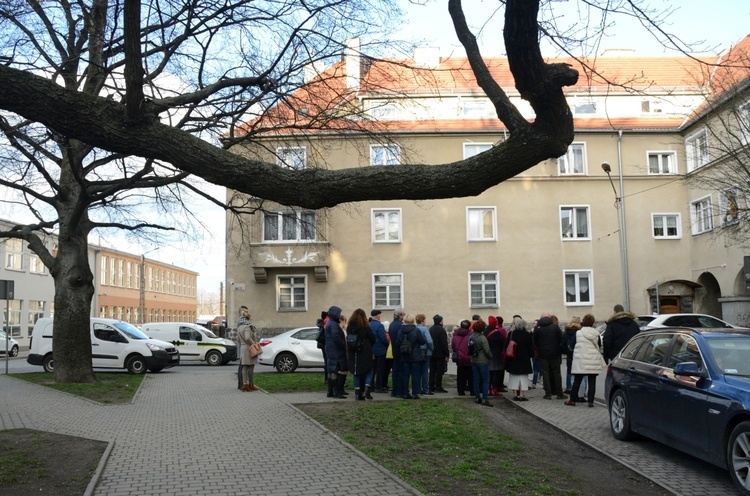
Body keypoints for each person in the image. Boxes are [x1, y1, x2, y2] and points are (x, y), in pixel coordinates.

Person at [565, 314, 607, 407]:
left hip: (580, 360)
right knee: (592, 381)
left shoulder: (578, 333)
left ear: (583, 322)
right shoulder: (596, 334)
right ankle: (590, 402)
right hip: (593, 360)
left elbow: (571, 345)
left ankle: (572, 400)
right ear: (593, 323)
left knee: (577, 380)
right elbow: (599, 346)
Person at [533, 312, 567, 400]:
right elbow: (561, 338)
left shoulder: (537, 328)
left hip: (543, 354)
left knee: (545, 373)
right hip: (555, 353)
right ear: (549, 318)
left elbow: (535, 341)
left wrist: (540, 347)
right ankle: (559, 393)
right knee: (556, 373)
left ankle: (548, 393)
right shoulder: (555, 327)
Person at [346, 308, 377, 400]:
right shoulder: (365, 327)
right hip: (365, 351)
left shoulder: (349, 327)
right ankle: (367, 390)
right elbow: (373, 338)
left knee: (356, 372)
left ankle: (357, 392)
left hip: (353, 351)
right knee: (369, 370)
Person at [395, 314, 427, 399]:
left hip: (404, 355)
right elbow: (422, 341)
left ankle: (405, 393)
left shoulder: (400, 331)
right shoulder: (416, 330)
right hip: (415, 356)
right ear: (413, 321)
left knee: (405, 375)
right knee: (415, 375)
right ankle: (414, 393)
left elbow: (397, 343)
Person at [505, 317, 533, 401]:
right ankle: (521, 394)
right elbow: (531, 348)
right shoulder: (527, 335)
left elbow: (506, 346)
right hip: (524, 359)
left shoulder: (511, 334)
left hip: (513, 359)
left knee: (513, 376)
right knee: (523, 377)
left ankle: (515, 394)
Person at [324, 305, 348, 399]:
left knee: (331, 370)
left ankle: (330, 391)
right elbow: (336, 337)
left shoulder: (330, 323)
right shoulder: (333, 324)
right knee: (334, 370)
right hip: (336, 351)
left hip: (331, 350)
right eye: (339, 314)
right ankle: (335, 392)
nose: (339, 315)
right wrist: (344, 345)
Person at [470, 319, 493, 407]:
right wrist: (490, 356)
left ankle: (477, 397)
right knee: (485, 380)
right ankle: (485, 398)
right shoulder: (482, 338)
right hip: (483, 361)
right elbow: (487, 350)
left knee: (476, 379)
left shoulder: (471, 337)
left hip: (474, 360)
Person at [236, 308, 259, 392]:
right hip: (249, 348)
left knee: (244, 367)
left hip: (242, 348)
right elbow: (247, 337)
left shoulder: (239, 327)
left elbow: (238, 339)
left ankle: (244, 385)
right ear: (247, 319)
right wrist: (253, 344)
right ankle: (251, 384)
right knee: (251, 367)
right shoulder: (247, 327)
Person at [451, 319, 474, 396]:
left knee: (460, 375)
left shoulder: (455, 334)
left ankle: (461, 391)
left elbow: (453, 346)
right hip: (469, 357)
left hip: (460, 357)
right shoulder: (471, 335)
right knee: (471, 375)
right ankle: (472, 391)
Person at [370, 309, 390, 393]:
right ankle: (379, 386)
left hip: (371, 350)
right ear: (377, 316)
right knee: (380, 369)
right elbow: (383, 338)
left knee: (372, 369)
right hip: (380, 350)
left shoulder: (368, 324)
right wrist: (387, 344)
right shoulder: (380, 326)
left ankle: (370, 386)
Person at [428, 314, 449, 393]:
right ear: (440, 321)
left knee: (432, 370)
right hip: (440, 354)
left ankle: (431, 386)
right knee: (439, 371)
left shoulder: (431, 329)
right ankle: (438, 386)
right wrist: (446, 354)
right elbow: (444, 343)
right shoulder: (441, 330)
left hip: (432, 353)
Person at [561, 316, 582, 395]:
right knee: (578, 371)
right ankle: (578, 389)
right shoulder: (580, 331)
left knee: (569, 370)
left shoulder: (567, 332)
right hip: (578, 353)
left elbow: (563, 343)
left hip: (569, 353)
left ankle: (569, 387)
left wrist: (565, 351)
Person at [232, 305, 250, 390]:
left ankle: (241, 384)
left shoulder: (241, 320)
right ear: (241, 312)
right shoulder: (241, 320)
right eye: (245, 311)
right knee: (242, 366)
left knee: (242, 366)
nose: (247, 313)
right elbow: (248, 326)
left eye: (247, 311)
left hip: (241, 345)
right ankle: (241, 384)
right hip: (243, 346)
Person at [486, 315, 505, 396]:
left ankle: (488, 389)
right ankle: (494, 389)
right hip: (496, 355)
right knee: (495, 374)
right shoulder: (496, 333)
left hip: (487, 355)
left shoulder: (485, 331)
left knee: (488, 373)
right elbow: (502, 343)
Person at [388, 308, 405, 398]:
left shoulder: (391, 324)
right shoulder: (401, 325)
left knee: (395, 371)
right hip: (400, 351)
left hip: (394, 350)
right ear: (400, 316)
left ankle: (394, 391)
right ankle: (399, 391)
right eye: (403, 315)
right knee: (401, 371)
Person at [416, 314, 434, 395]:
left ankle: (417, 388)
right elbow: (429, 341)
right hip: (425, 351)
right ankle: (425, 389)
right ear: (423, 320)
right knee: (424, 371)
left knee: (417, 371)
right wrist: (432, 348)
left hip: (416, 352)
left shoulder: (415, 328)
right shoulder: (424, 329)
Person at [496, 316, 508, 392]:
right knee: (501, 369)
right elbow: (505, 340)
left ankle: (497, 384)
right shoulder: (502, 330)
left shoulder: (495, 329)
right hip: (502, 352)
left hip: (495, 352)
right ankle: (500, 384)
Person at [316, 311, 328, 385]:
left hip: (322, 345)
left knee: (326, 362)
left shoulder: (321, 324)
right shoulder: (324, 324)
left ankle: (326, 379)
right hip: (325, 345)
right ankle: (327, 379)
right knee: (327, 362)